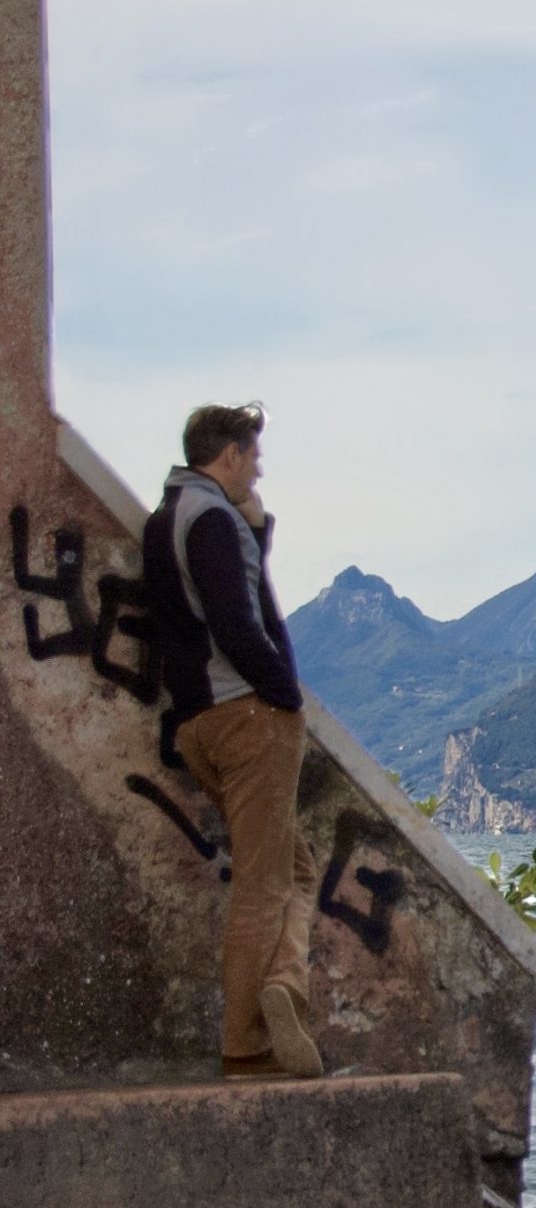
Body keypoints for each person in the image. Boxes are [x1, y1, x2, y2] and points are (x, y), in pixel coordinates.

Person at [140, 403, 324, 1080]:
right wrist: (284, 694)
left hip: (196, 722)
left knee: (295, 869)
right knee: (262, 885)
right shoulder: (212, 520)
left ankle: (284, 985)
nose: (261, 468)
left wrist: (258, 533)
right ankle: (246, 1045)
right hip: (246, 718)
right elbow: (237, 621)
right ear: (229, 458)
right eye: (254, 457)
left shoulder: (168, 521)